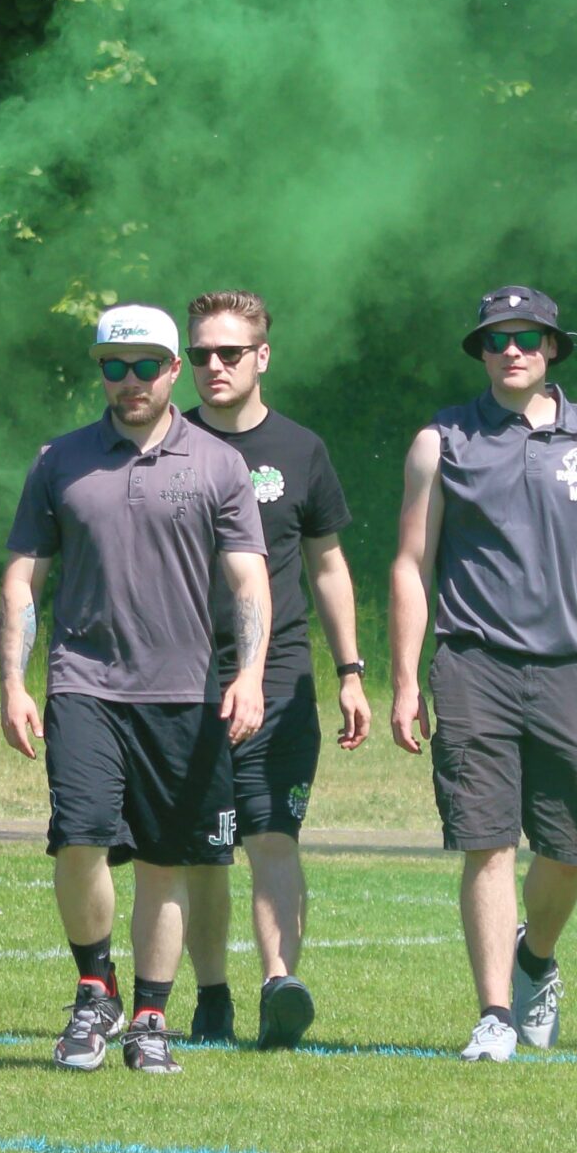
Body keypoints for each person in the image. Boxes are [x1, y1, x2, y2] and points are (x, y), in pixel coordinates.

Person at [0, 303, 270, 1076]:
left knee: (165, 859)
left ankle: (151, 1016)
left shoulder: (218, 465)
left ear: (172, 370)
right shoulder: (59, 461)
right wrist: (13, 683)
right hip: (84, 681)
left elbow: (248, 579)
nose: (130, 381)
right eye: (115, 367)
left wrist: (249, 675)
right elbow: (22, 579)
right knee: (79, 835)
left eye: (146, 365)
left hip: (185, 691)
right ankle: (96, 988)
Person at [389, 286, 577, 1063]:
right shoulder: (442, 440)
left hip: (569, 666)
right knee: (488, 840)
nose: (512, 350)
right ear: (480, 351)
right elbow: (411, 564)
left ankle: (535, 959)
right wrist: (404, 679)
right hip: (472, 663)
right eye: (497, 338)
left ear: (552, 348)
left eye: (528, 337)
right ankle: (496, 1013)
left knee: (570, 847)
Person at [178, 290, 372, 1050]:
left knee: (272, 835)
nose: (214, 366)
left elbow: (327, 565)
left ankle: (278, 985)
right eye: (200, 353)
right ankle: (211, 998)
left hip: (280, 676)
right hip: (183, 676)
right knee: (202, 848)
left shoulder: (300, 450)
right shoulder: (168, 444)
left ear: (262, 356)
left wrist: (351, 670)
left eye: (229, 352)